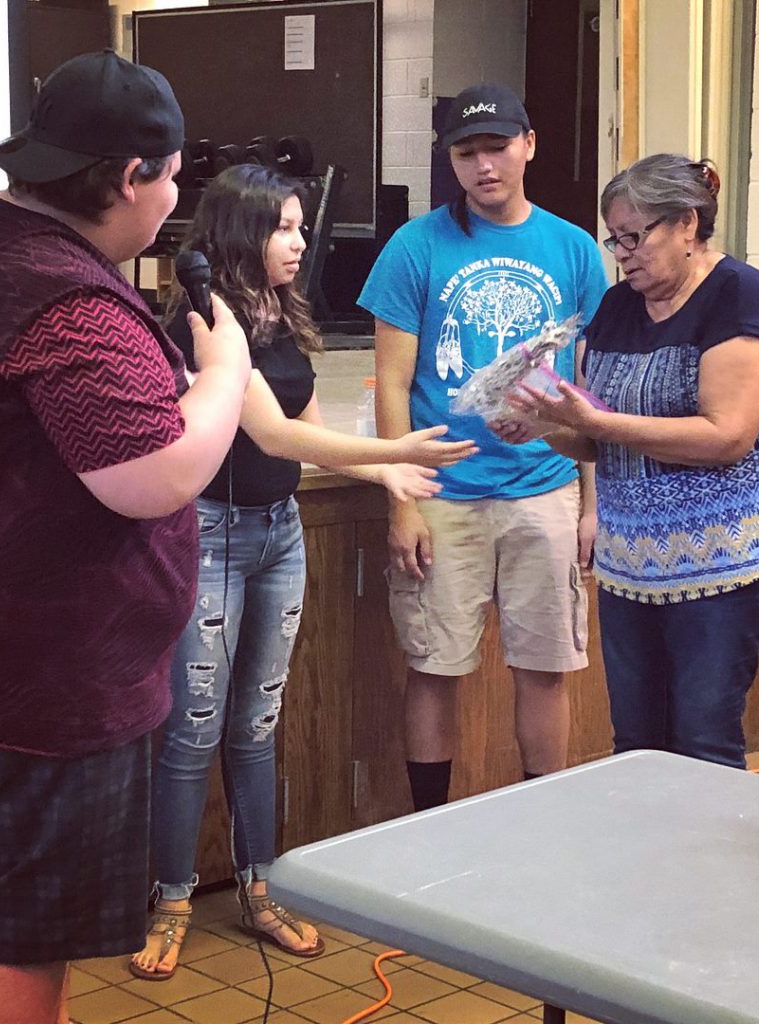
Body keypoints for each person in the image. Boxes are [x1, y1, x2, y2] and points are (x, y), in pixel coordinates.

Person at [0, 52, 252, 1024]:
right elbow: (157, 475)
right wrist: (226, 370)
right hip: (37, 677)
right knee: (29, 924)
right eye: (171, 176)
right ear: (131, 175)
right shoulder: (66, 298)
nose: (173, 200)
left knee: (24, 894)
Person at [130, 164, 477, 980]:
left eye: (298, 225)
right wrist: (395, 448)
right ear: (243, 233)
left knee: (256, 725)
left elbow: (307, 422)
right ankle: (172, 900)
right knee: (191, 729)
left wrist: (384, 477)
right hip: (210, 536)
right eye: (283, 227)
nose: (300, 240)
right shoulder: (203, 319)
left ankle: (259, 888)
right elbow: (272, 436)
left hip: (278, 533)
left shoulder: (282, 314)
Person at [504, 153, 759, 770]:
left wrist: (592, 421)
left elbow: (728, 435)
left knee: (703, 742)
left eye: (636, 236)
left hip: (719, 563)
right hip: (630, 567)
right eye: (615, 239)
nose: (623, 253)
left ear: (688, 225)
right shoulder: (617, 307)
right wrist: (540, 428)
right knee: (636, 748)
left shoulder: (740, 295)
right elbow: (595, 442)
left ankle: (708, 869)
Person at [356, 83, 609, 814]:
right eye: (466, 154)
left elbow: (590, 388)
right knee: (435, 665)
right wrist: (401, 497)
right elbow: (393, 384)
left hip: (545, 486)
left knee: (546, 667)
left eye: (496, 147)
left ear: (528, 144)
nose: (483, 166)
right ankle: (428, 823)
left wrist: (596, 504)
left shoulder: (574, 249)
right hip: (445, 494)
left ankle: (542, 821)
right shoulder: (416, 245)